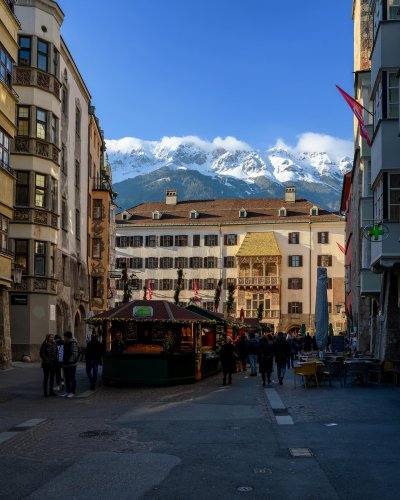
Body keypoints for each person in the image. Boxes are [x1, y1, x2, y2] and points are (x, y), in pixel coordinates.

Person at [62, 331, 78, 398]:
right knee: (67, 378)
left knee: (72, 378)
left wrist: (69, 361)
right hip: (65, 364)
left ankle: (72, 392)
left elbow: (75, 353)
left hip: (71, 364)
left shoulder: (73, 343)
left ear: (68, 337)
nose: (64, 338)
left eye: (64, 337)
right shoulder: (66, 343)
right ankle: (67, 391)